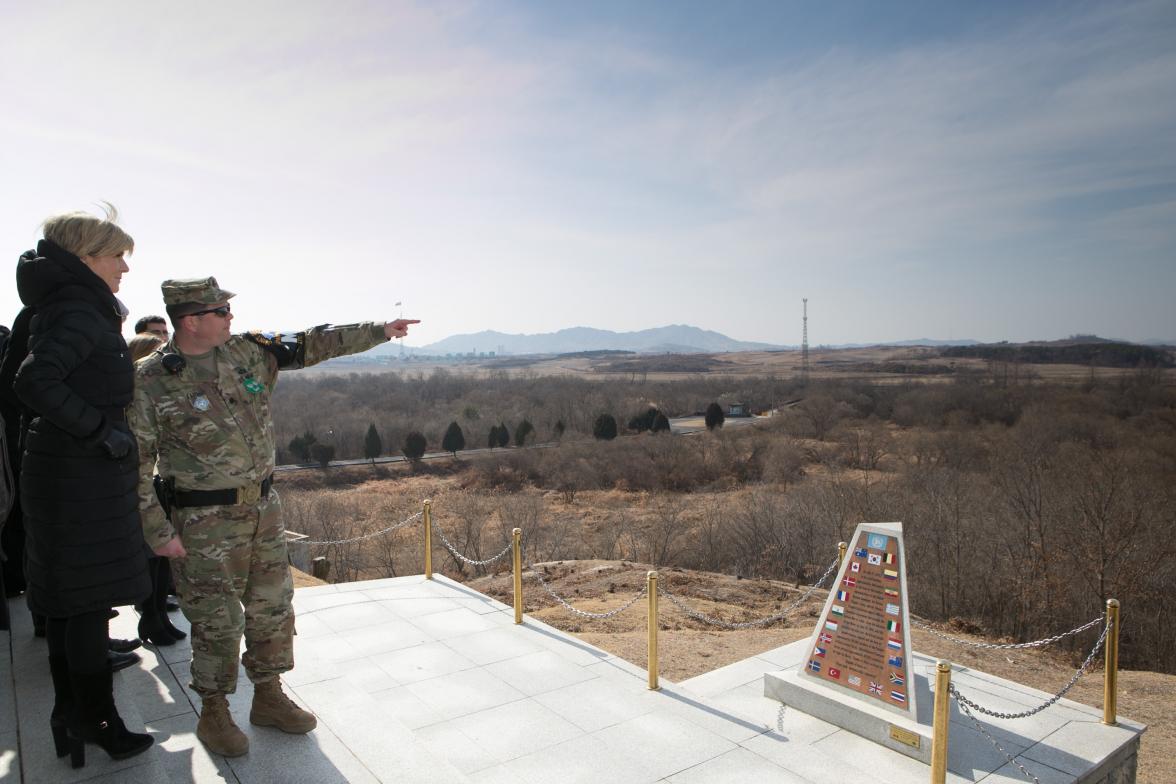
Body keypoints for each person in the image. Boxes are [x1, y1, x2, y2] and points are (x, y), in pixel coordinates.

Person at [127, 277, 417, 757]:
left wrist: (380, 330)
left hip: (262, 507)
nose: (231, 317)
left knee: (273, 606)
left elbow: (311, 343)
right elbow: (135, 464)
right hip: (202, 519)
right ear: (191, 320)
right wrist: (157, 532)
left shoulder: (248, 352)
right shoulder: (149, 380)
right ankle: (214, 710)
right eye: (221, 310)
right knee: (216, 617)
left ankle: (268, 695)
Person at [6, 205, 153, 767]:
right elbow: (33, 380)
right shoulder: (79, 309)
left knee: (71, 606)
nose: (124, 267)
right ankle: (97, 722)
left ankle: (72, 714)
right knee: (87, 606)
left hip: (65, 472)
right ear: (86, 257)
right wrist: (101, 432)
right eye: (117, 256)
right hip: (79, 476)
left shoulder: (66, 304)